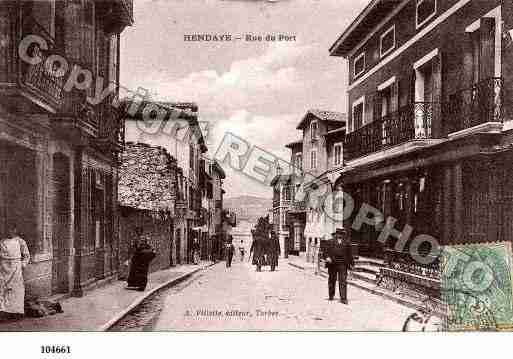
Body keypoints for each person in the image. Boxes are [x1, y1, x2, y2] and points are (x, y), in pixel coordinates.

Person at [0, 225, 30, 320]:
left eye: (12, 229)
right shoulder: (2, 242)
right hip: (3, 268)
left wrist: (22, 264)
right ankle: (3, 312)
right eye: (8, 230)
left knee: (17, 290)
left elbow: (26, 255)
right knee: (3, 289)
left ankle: (16, 312)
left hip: (16, 267)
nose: (10, 231)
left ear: (15, 230)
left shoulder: (20, 241)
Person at [324, 228, 354, 304]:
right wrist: (327, 257)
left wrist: (352, 264)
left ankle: (343, 298)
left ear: (343, 235)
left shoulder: (347, 243)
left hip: (343, 264)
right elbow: (325, 252)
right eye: (338, 234)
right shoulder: (330, 242)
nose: (339, 236)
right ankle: (331, 295)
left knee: (343, 281)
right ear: (335, 234)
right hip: (332, 264)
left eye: (341, 234)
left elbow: (350, 254)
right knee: (332, 280)